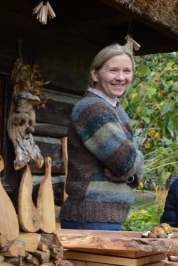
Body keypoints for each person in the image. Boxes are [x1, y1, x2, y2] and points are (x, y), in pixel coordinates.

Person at [60, 44, 144, 230]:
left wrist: (130, 173)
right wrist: (132, 166)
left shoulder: (116, 109)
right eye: (113, 70)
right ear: (95, 74)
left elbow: (130, 168)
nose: (121, 77)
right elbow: (126, 162)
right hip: (90, 217)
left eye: (127, 71)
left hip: (105, 217)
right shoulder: (92, 108)